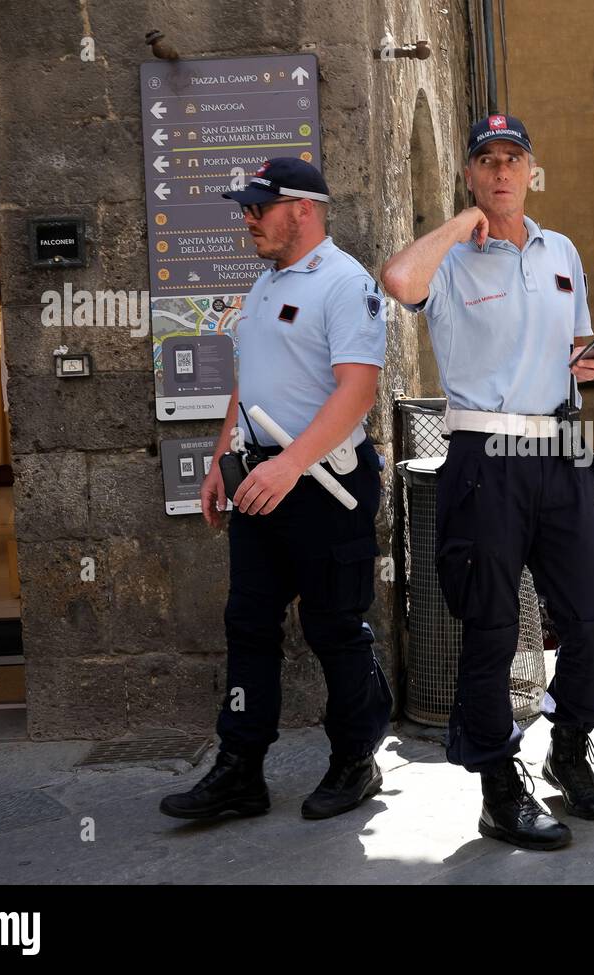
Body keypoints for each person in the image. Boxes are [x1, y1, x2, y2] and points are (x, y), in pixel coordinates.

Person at [381, 114, 594, 851]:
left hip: (562, 445)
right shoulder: (450, 261)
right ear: (470, 176)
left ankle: (571, 744)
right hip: (485, 452)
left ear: (530, 168)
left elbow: (575, 341)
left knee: (589, 609)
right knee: (490, 625)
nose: (500, 172)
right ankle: (496, 783)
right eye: (486, 161)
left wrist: (587, 361)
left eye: (512, 159)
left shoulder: (562, 252)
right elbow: (396, 279)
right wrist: (462, 225)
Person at [160, 158, 392, 823]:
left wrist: (290, 463)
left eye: (260, 206)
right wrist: (217, 461)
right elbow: (248, 383)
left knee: (334, 626)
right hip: (261, 479)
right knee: (248, 624)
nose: (248, 218)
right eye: (246, 207)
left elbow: (357, 389)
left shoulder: (346, 284)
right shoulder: (264, 287)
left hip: (326, 484)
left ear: (305, 208)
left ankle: (356, 758)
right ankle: (241, 769)